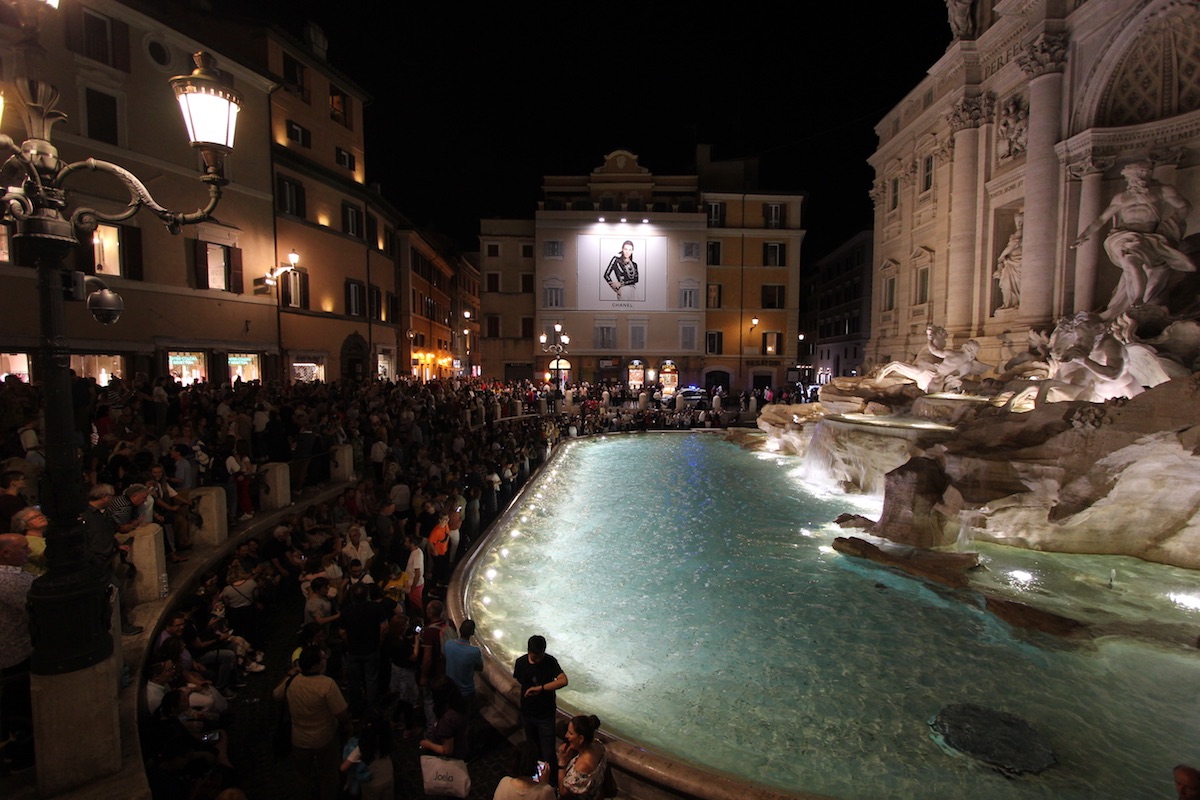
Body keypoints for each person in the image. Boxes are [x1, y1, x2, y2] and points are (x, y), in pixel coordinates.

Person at [1071, 160, 1195, 318]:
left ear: (1147, 175)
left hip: (1147, 237)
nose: (1136, 180)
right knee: (1130, 262)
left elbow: (1185, 207)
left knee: (1133, 265)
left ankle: (1136, 301)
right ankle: (1137, 299)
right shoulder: (1121, 198)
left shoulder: (1162, 191)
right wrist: (1084, 236)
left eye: (1140, 175)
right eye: (1132, 177)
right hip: (1122, 236)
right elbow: (1101, 220)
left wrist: (1171, 224)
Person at [273, 645, 352, 800]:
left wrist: (289, 675)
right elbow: (341, 712)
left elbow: (276, 695)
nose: (326, 659)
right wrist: (348, 725)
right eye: (323, 658)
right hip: (324, 738)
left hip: (299, 739)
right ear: (316, 665)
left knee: (302, 776)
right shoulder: (326, 684)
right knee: (328, 775)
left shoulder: (292, 682)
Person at [513, 634, 568, 787]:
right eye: (535, 656)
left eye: (540, 655)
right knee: (532, 749)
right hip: (527, 712)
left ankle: (551, 785)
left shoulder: (550, 662)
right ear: (529, 651)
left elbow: (564, 680)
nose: (538, 659)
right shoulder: (521, 663)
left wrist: (541, 688)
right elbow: (519, 679)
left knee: (548, 753)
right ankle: (535, 780)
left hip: (546, 714)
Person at [0, 533, 34, 770]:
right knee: (20, 711)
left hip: (13, 652)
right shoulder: (8, 581)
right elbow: (36, 605)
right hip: (14, 656)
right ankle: (21, 756)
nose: (29, 552)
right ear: (6, 553)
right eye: (23, 548)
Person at [418, 678, 469, 761]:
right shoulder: (460, 704)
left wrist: (427, 744)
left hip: (453, 757)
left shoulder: (448, 720)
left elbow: (447, 750)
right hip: (462, 745)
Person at [442, 618, 483, 711]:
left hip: (450, 688)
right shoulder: (474, 651)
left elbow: (445, 656)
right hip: (466, 692)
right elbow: (480, 668)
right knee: (467, 716)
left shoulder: (448, 644)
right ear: (472, 633)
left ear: (460, 629)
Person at [994, 209, 1023, 309]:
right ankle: (1010, 303)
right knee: (1006, 285)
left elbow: (1010, 247)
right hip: (1010, 263)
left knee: (1013, 285)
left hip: (1017, 263)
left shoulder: (1020, 234)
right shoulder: (1015, 236)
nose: (1018, 224)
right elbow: (1010, 247)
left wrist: (1001, 257)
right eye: (1017, 222)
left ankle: (1014, 303)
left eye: (1020, 221)